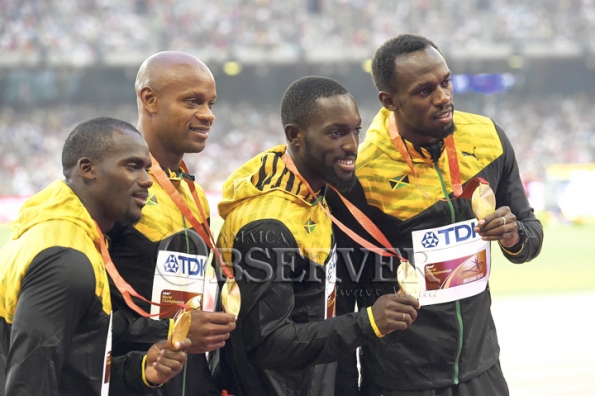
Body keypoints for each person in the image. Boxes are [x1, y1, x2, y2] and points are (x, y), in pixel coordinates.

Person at [328, 33, 545, 396]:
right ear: (389, 100)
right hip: (402, 382)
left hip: (483, 371)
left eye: (445, 82)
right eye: (424, 91)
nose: (443, 97)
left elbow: (530, 233)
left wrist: (513, 236)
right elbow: (344, 297)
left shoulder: (488, 137)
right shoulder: (361, 175)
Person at [214, 76, 421, 396]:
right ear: (294, 136)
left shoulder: (315, 192)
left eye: (355, 130)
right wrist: (368, 322)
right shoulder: (267, 227)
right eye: (336, 133)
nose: (352, 144)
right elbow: (267, 343)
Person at [0, 117, 190, 396]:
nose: (147, 180)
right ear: (87, 169)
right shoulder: (66, 258)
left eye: (147, 169)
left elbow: (71, 368)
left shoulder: (68, 236)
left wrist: (140, 370)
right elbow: (30, 384)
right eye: (132, 166)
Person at [106, 51, 237, 396]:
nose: (208, 115)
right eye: (193, 102)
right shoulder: (111, 189)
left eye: (211, 103)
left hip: (186, 379)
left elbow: (185, 309)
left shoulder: (191, 191)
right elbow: (82, 317)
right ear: (149, 99)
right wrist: (171, 330)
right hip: (132, 380)